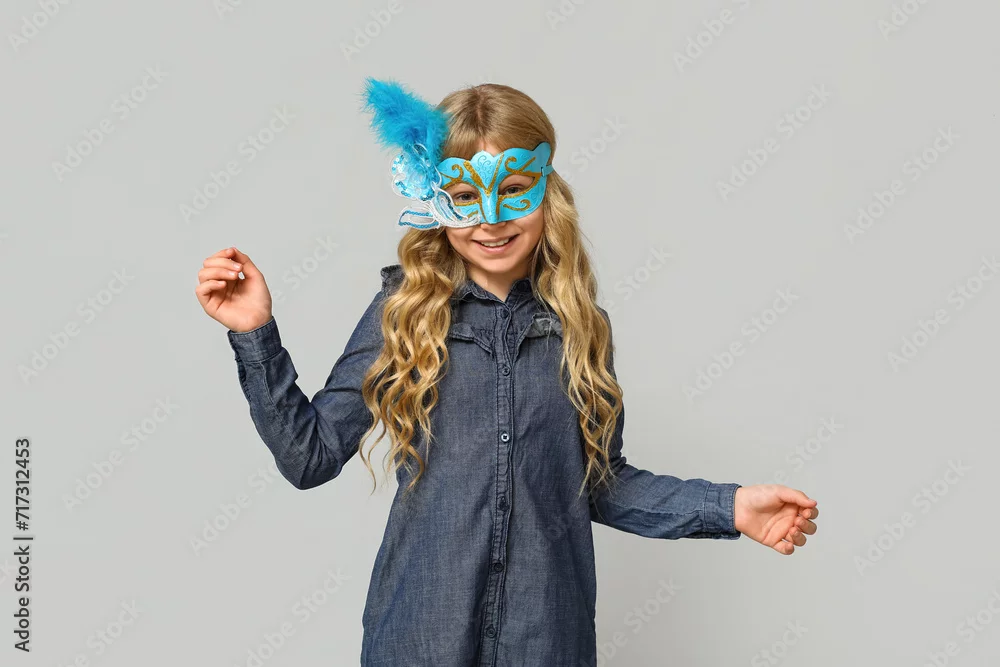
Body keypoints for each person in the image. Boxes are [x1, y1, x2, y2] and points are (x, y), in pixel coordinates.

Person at [194, 79, 819, 667]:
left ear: (546, 194)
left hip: (545, 641)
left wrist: (729, 507)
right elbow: (309, 457)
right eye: (465, 197)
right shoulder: (402, 315)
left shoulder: (580, 327)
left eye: (513, 189)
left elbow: (599, 486)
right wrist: (254, 333)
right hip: (421, 639)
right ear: (433, 200)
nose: (489, 219)